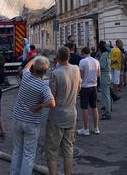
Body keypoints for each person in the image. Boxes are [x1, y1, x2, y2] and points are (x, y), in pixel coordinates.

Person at [10, 56, 55, 175]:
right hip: (32, 122)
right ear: (45, 71)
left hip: (18, 119)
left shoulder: (25, 76)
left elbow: (26, 67)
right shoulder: (43, 86)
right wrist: (39, 106)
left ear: (34, 67)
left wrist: (35, 58)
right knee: (28, 155)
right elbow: (52, 103)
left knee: (17, 151)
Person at [46, 47, 82, 175]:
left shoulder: (55, 73)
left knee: (52, 150)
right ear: (69, 57)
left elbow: (52, 97)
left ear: (57, 57)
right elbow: (79, 88)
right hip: (71, 114)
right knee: (68, 149)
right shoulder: (76, 69)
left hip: (57, 116)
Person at [77, 47, 100, 136]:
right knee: (94, 107)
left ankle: (86, 129)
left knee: (84, 108)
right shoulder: (96, 61)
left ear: (83, 53)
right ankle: (96, 128)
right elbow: (98, 74)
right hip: (94, 86)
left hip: (85, 86)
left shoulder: (82, 61)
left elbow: (81, 75)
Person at [99, 43, 111, 120]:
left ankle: (107, 112)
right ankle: (108, 108)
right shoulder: (108, 53)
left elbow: (102, 66)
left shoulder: (104, 55)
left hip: (104, 75)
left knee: (106, 94)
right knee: (108, 94)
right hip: (108, 74)